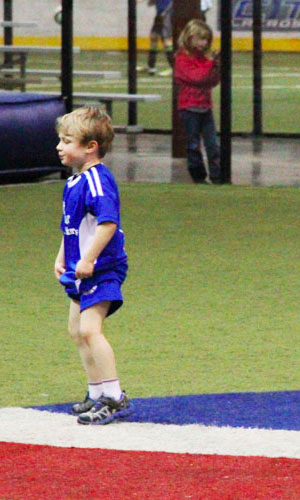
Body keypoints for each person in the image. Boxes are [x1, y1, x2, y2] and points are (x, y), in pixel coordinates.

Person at [53, 106, 133, 425]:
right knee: (77, 331)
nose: (59, 146)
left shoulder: (98, 180)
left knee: (89, 329)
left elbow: (108, 223)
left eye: (66, 141)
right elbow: (71, 225)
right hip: (80, 269)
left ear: (91, 147)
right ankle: (96, 392)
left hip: (103, 268)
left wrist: (88, 259)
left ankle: (114, 397)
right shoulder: (74, 182)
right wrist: (63, 256)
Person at [174, 19, 221, 184]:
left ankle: (217, 175)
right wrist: (211, 64)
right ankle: (198, 176)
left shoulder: (204, 59)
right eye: (200, 39)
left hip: (205, 107)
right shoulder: (182, 59)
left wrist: (216, 67)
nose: (204, 43)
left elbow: (212, 81)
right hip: (189, 108)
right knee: (193, 144)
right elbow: (197, 77)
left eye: (206, 40)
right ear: (190, 38)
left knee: (212, 143)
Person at [140, 0, 175, 77]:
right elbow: (151, 3)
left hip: (167, 15)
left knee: (166, 40)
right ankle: (151, 66)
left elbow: (173, 2)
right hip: (159, 15)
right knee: (154, 37)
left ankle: (174, 67)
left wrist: (165, 12)